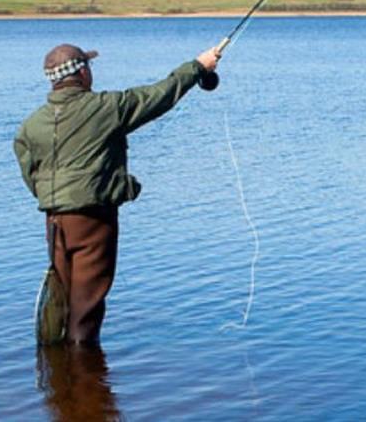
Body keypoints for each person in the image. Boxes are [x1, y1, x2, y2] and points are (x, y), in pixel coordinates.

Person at [14, 43, 220, 345]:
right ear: (82, 72)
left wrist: (53, 197)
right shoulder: (108, 107)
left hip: (55, 223)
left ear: (53, 80)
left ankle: (62, 383)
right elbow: (159, 95)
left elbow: (29, 170)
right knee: (86, 308)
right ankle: (85, 379)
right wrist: (198, 67)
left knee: (64, 303)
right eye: (89, 67)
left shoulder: (30, 126)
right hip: (93, 221)